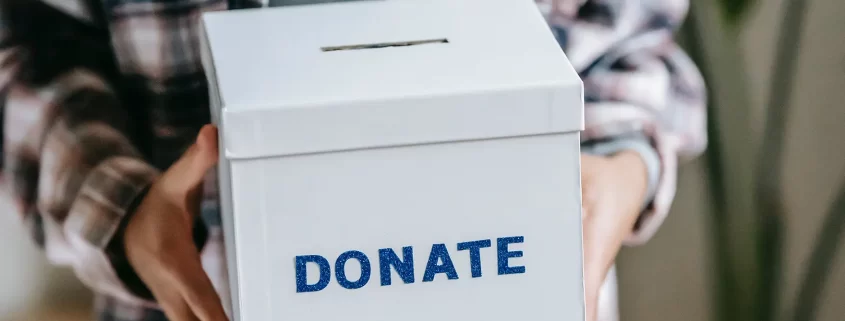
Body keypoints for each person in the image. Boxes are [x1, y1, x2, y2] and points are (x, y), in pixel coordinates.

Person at [0, 0, 706, 320]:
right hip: (183, 295)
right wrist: (122, 209)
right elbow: (30, 46)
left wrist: (621, 166)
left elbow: (634, 38)